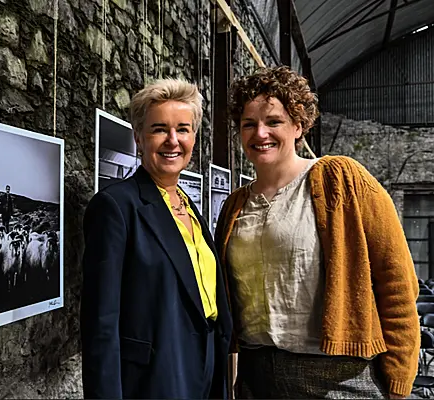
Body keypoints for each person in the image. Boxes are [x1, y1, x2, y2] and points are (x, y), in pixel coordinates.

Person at [214, 66, 420, 399]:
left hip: (338, 375)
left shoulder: (342, 180)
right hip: (256, 372)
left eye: (273, 121)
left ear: (298, 125)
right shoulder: (235, 205)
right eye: (248, 124)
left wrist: (398, 381)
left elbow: (396, 283)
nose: (260, 133)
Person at [80, 78, 233, 399]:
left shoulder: (189, 207)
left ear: (194, 137)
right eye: (159, 129)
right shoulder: (116, 206)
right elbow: (101, 322)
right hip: (155, 374)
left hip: (206, 363)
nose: (172, 140)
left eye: (183, 129)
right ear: (138, 136)